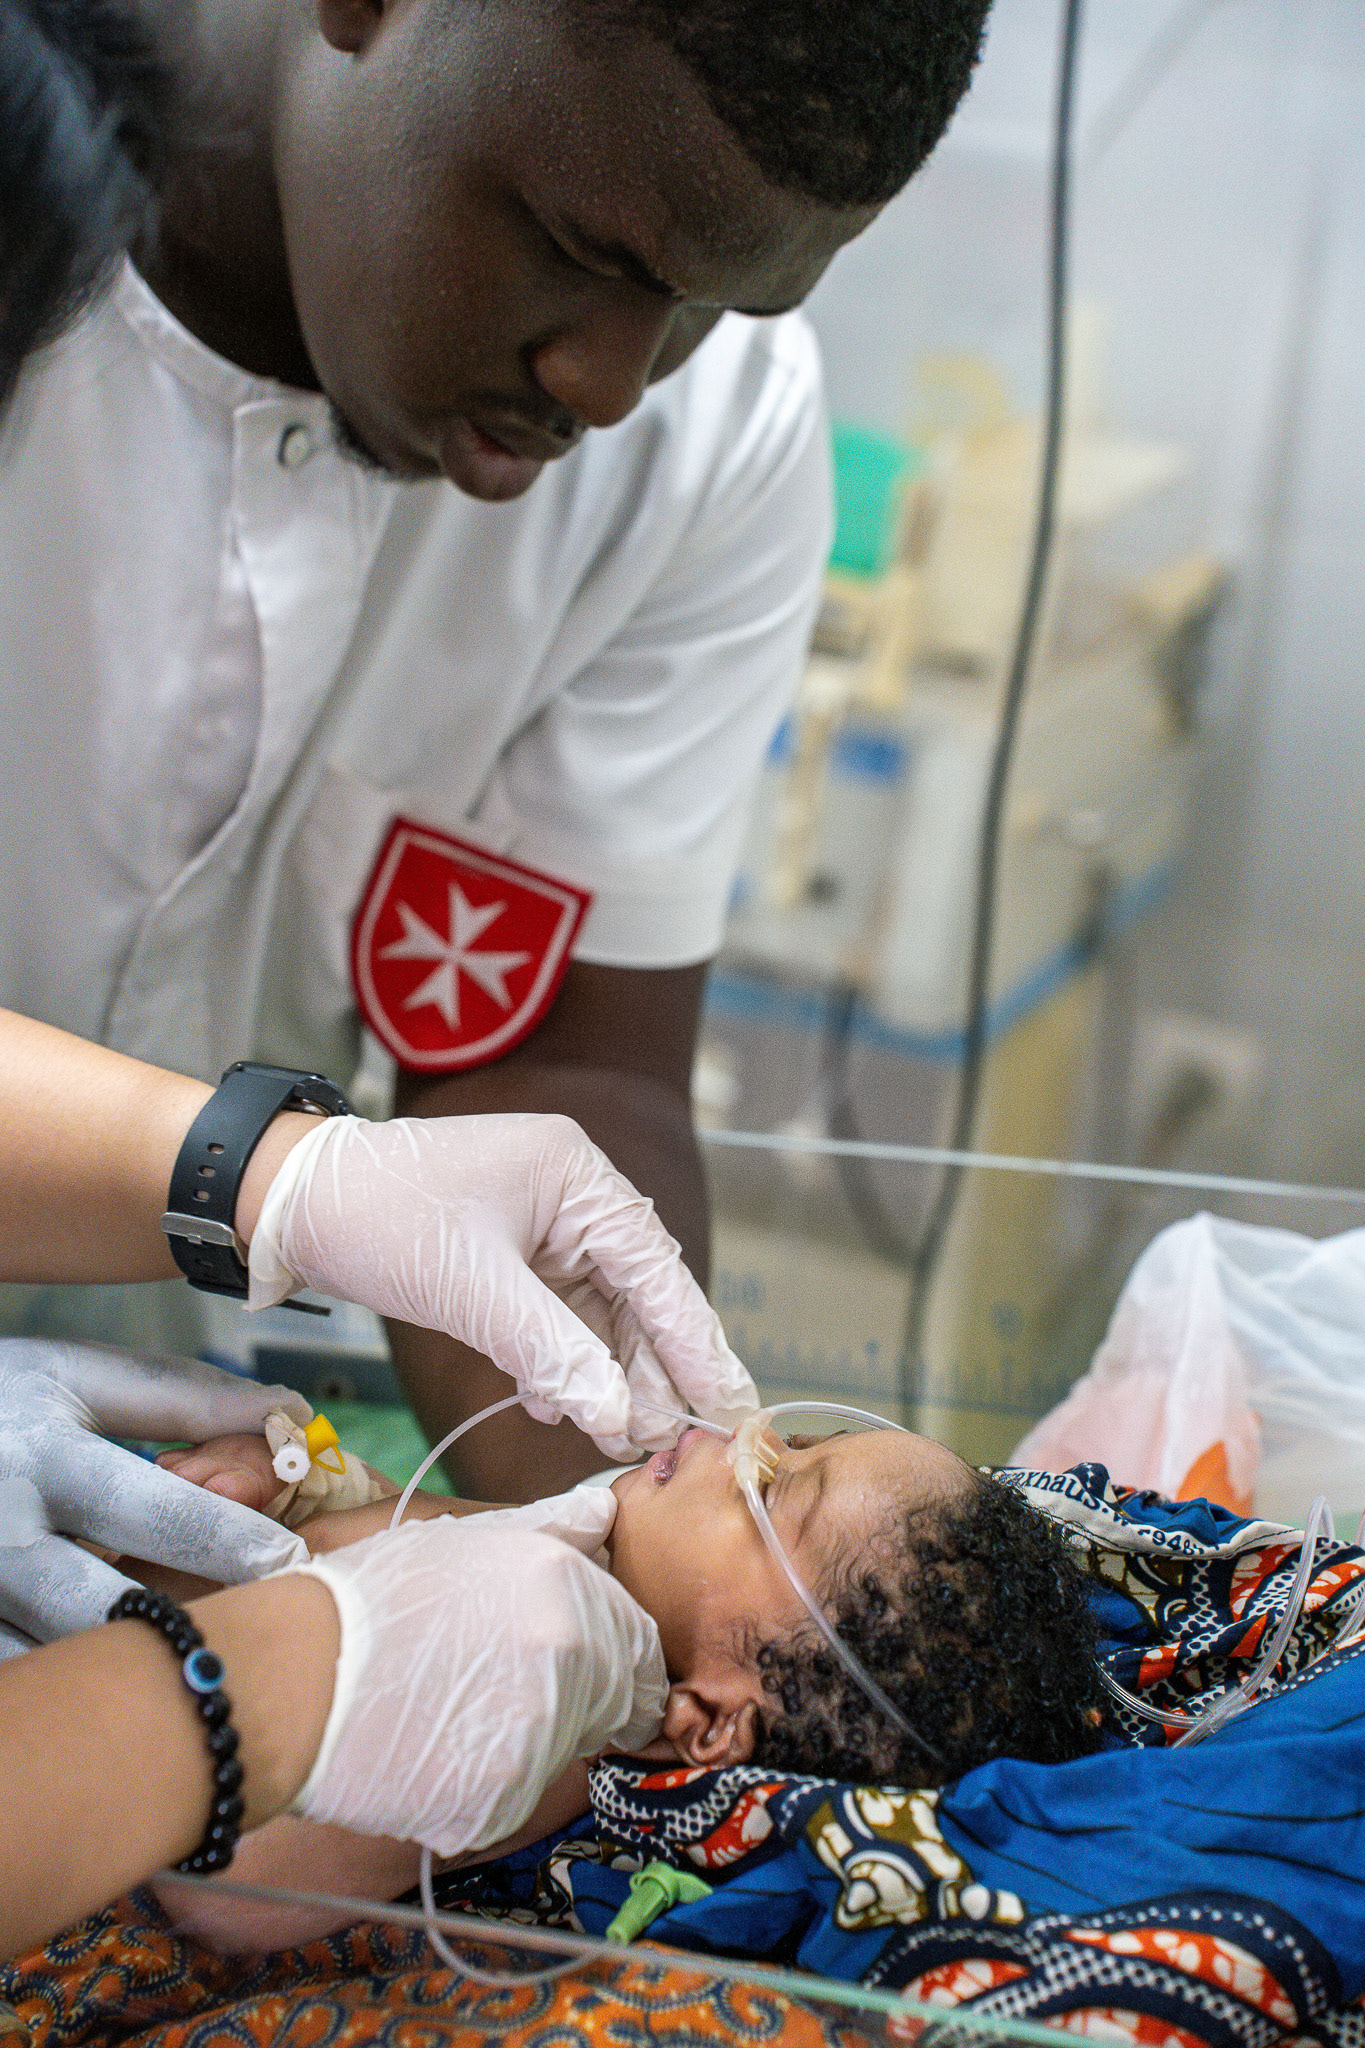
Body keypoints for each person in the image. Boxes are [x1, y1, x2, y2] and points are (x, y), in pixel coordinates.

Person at [0, 0, 995, 1502]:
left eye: (719, 305)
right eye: (590, 252)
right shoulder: (32, 229)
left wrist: (641, 1514)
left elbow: (551, 1063)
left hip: (140, 1424)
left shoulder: (703, 440)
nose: (612, 384)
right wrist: (281, 1184)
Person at [135, 1414, 1104, 1953]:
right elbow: (381, 1522)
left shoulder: (531, 1720)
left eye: (770, 1488)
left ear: (713, 1719)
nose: (749, 1432)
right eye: (796, 1435)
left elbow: (228, 1892)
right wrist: (293, 1481)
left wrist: (207, 1576)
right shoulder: (582, 1548)